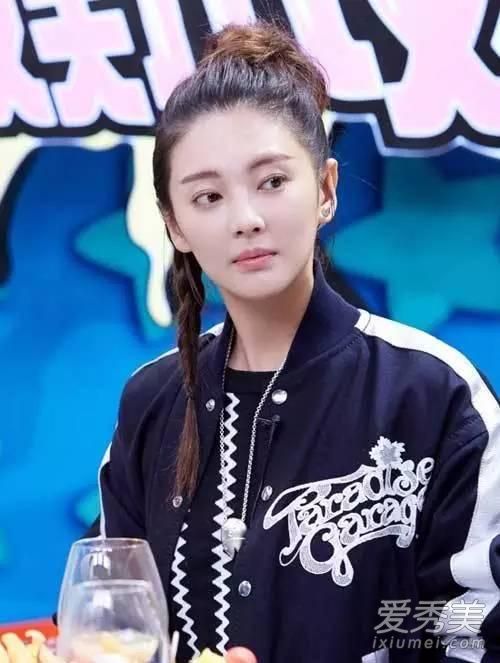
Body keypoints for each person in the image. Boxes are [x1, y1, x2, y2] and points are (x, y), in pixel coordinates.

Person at [96, 20, 500, 663]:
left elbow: (478, 633)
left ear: (326, 190)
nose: (246, 218)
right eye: (208, 196)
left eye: (273, 182)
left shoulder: (433, 392)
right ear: (174, 226)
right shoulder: (151, 401)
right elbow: (107, 616)